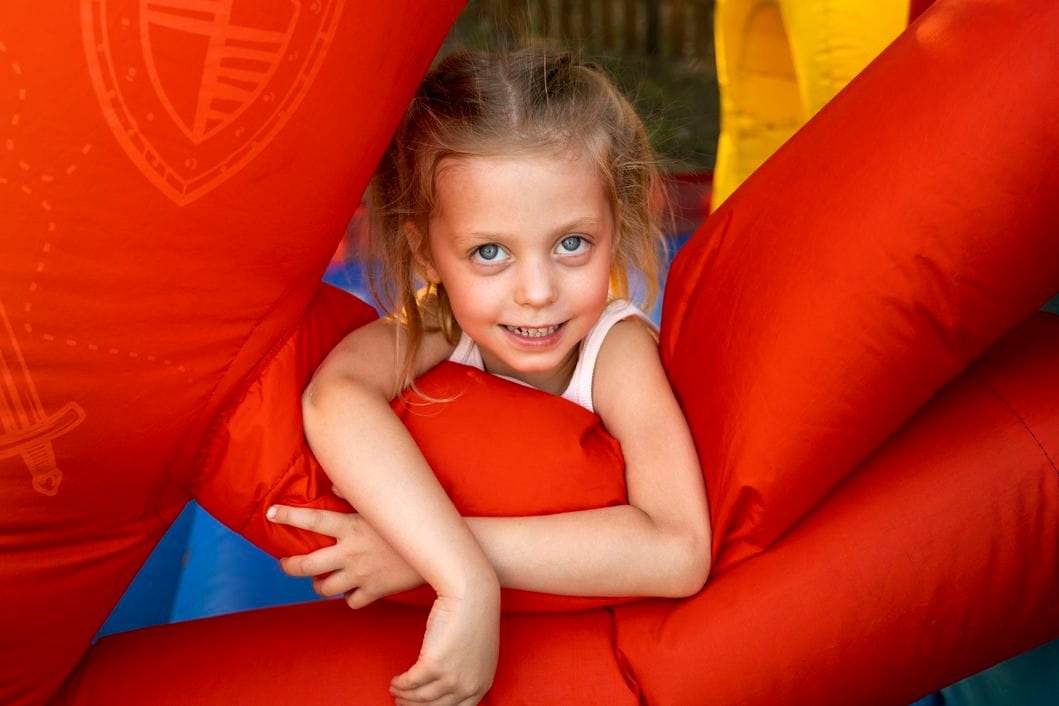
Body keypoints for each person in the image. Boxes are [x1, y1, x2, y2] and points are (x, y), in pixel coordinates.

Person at [266, 49, 711, 706]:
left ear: (615, 227)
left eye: (571, 243)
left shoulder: (615, 354)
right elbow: (335, 396)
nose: (536, 292)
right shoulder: (439, 325)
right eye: (489, 252)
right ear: (426, 252)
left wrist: (432, 557)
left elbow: (678, 551)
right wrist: (461, 577)